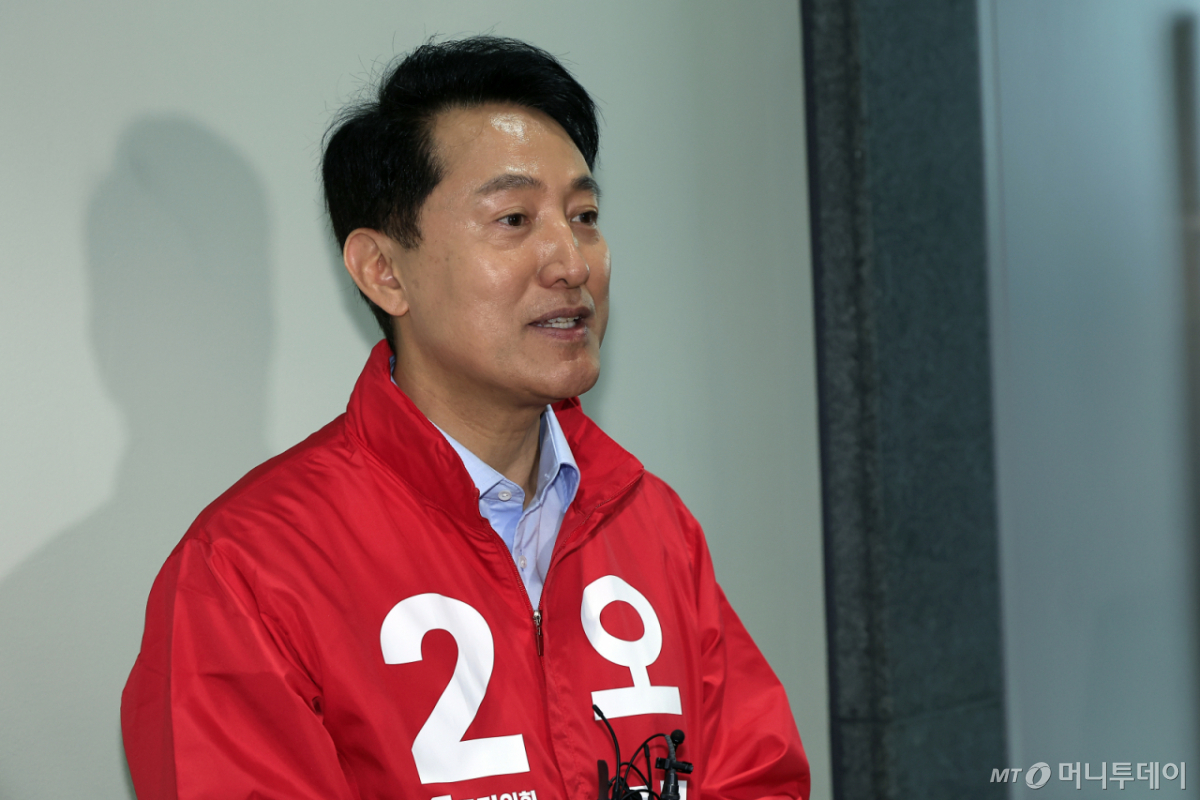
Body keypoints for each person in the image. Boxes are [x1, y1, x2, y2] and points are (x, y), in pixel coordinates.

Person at [121, 36, 810, 800]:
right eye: (513, 218)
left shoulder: (653, 527)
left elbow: (759, 778)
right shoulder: (248, 570)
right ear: (385, 271)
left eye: (584, 216)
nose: (572, 263)